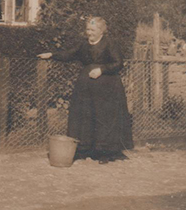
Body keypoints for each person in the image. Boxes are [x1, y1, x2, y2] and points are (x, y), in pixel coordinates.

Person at [38, 17, 133, 164]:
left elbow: (118, 63)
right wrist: (52, 55)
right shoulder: (84, 45)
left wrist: (102, 69)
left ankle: (105, 152)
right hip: (86, 89)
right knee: (84, 116)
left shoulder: (110, 44)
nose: (89, 33)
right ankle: (85, 148)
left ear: (101, 31)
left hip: (107, 89)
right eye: (88, 29)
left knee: (104, 118)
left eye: (93, 30)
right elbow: (69, 54)